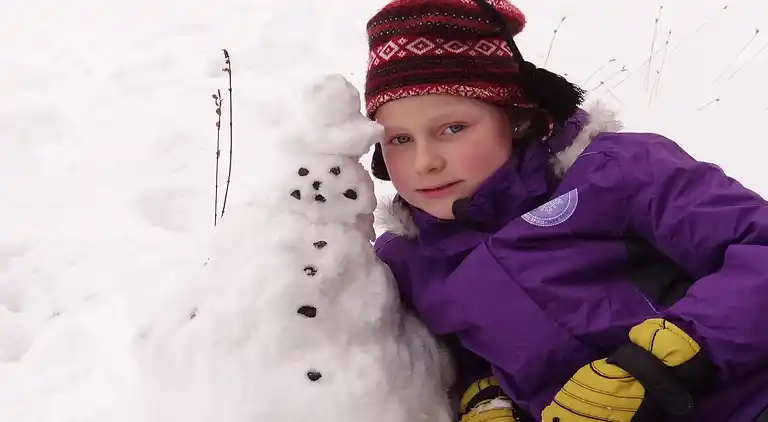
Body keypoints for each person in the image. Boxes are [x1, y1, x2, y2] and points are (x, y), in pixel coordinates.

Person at [364, 0, 768, 421]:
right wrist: (485, 396)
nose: (425, 162)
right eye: (399, 140)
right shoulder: (409, 262)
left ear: (516, 118)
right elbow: (458, 356)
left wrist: (666, 356)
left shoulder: (617, 173)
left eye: (453, 129)